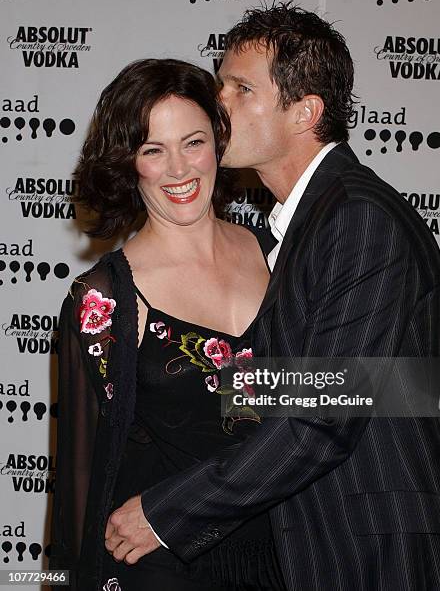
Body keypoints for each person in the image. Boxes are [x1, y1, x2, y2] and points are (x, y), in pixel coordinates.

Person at [135, 3, 440, 591]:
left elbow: (323, 416)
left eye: (241, 88)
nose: (220, 102)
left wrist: (166, 513)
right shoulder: (293, 228)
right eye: (221, 83)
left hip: (378, 547)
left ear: (305, 112)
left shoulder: (358, 217)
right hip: (323, 544)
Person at [49, 58, 290, 591]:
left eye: (193, 142)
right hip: (162, 569)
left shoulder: (280, 256)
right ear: (128, 163)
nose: (179, 169)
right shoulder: (105, 300)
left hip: (284, 559)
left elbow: (329, 408)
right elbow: (79, 486)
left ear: (219, 143)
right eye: (153, 150)